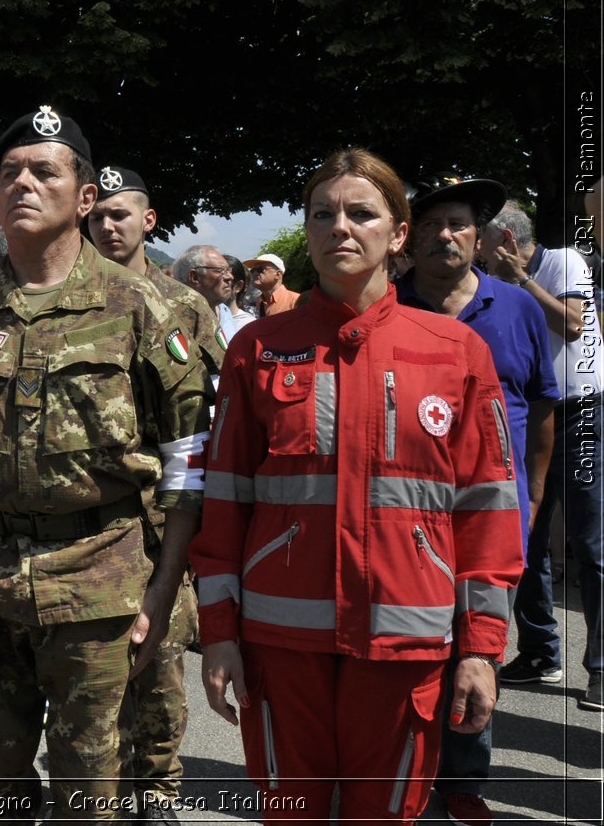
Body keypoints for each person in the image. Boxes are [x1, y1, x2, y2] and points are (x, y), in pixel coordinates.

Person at [190, 148, 524, 824]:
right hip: (282, 646)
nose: (341, 226)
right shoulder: (256, 348)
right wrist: (218, 631)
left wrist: (482, 648)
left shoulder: (457, 351)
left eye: (362, 212)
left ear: (398, 233)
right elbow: (222, 502)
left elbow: (488, 512)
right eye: (323, 213)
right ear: (307, 231)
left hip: (405, 646)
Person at [0, 110, 209, 823]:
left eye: (45, 170)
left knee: (90, 799)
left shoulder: (143, 305)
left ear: (83, 198)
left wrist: (165, 589)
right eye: (11, 171)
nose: (23, 183)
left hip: (99, 587)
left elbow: (188, 462)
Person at [394, 174, 558, 826]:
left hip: (498, 512)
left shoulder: (517, 308)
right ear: (409, 238)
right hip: (411, 513)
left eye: (458, 222)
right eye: (431, 223)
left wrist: (536, 492)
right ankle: (403, 768)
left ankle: (464, 774)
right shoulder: (387, 307)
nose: (445, 234)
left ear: (481, 235)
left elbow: (543, 408)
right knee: (413, 646)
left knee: (478, 643)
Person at [85, 166, 224, 823]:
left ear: (150, 219)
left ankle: (158, 793)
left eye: (122, 213)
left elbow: (212, 415)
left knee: (161, 669)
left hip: (163, 521)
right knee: (91, 676)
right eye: (98, 214)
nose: (108, 225)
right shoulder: (70, 297)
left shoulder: (186, 305)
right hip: (89, 524)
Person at [484, 204, 604, 712]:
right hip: (535, 415)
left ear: (506, 239)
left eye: (481, 243)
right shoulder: (495, 282)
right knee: (524, 537)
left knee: (591, 543)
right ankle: (539, 654)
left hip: (580, 418)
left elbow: (574, 323)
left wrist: (521, 283)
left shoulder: (563, 262)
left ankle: (600, 668)